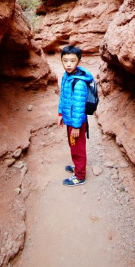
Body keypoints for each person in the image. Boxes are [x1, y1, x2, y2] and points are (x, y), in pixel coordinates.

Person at [57, 44, 94, 186]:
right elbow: (63, 97)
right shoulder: (67, 76)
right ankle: (78, 167)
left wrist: (77, 127)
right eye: (65, 60)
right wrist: (61, 113)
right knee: (73, 145)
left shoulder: (78, 83)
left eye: (72, 61)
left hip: (76, 122)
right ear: (61, 60)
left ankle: (79, 176)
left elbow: (78, 107)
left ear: (79, 61)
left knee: (77, 148)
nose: (68, 64)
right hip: (70, 119)